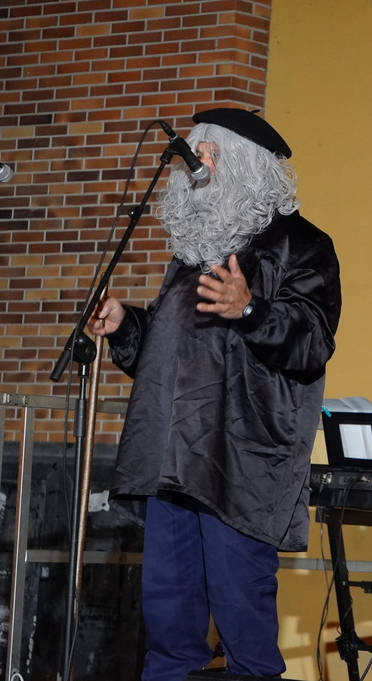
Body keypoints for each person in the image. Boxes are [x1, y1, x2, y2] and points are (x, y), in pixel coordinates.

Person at [90, 107, 342, 681]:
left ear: (248, 163)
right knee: (170, 629)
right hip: (172, 459)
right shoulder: (192, 253)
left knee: (244, 630)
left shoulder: (302, 244)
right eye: (195, 150)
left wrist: (250, 309)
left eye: (209, 151)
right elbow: (170, 353)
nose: (195, 162)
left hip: (239, 460)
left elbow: (311, 343)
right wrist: (127, 323)